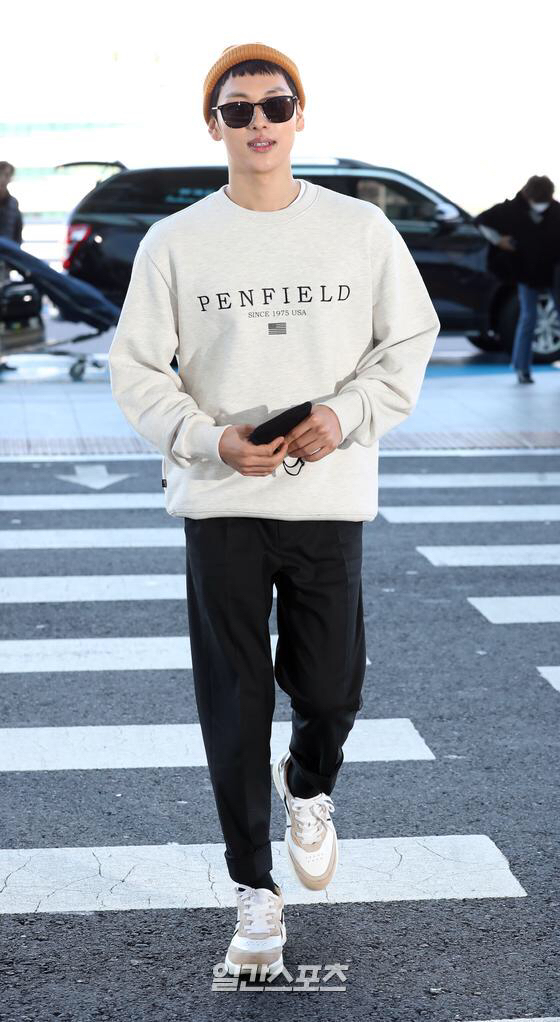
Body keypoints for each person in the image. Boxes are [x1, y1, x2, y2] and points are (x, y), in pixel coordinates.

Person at [108, 42, 440, 980]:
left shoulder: (360, 230)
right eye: (238, 108)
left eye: (275, 104)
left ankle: (309, 782)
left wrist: (347, 413)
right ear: (212, 123)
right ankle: (254, 889)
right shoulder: (176, 242)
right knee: (234, 697)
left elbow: (408, 339)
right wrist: (210, 440)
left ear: (300, 115)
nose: (259, 122)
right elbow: (137, 369)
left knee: (331, 689)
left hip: (328, 493)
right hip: (221, 497)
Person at [475, 175, 560, 383]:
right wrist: (498, 240)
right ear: (528, 196)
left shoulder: (556, 211)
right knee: (528, 318)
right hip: (526, 272)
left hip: (555, 271)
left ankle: (521, 367)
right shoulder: (510, 210)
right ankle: (522, 367)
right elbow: (480, 221)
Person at [0, 161, 23, 373]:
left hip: (5, 265)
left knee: (3, 312)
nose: (4, 179)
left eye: (8, 175)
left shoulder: (12, 203)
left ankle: (2, 358)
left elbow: (17, 232)